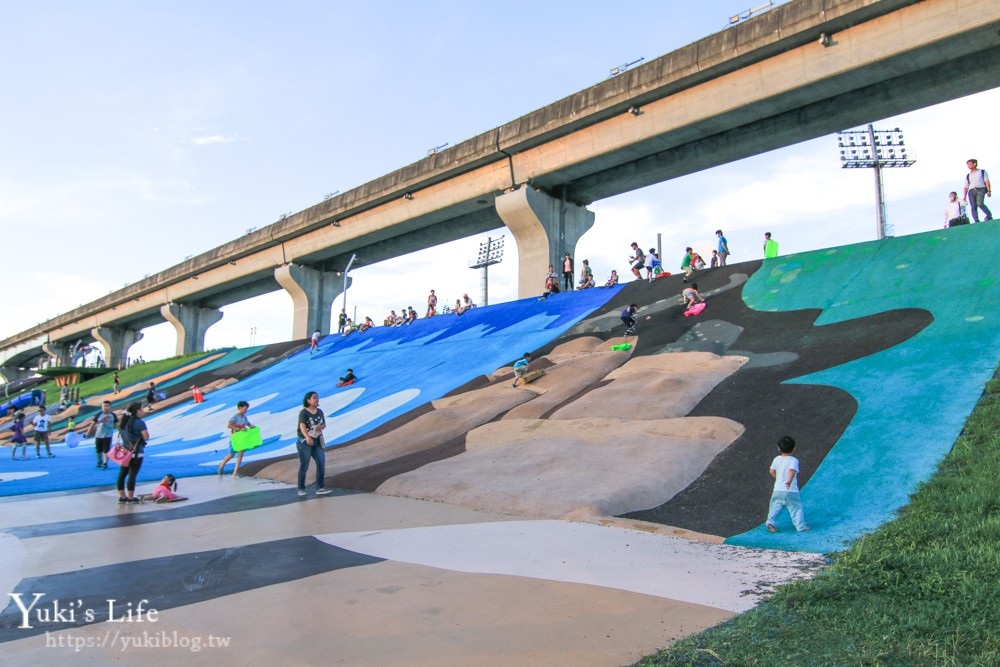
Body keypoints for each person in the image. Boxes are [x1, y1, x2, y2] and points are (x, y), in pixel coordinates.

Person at [766, 435, 810, 532]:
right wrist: (789, 481)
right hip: (790, 490)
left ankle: (770, 522)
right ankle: (801, 526)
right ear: (794, 448)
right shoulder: (794, 460)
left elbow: (771, 471)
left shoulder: (776, 459)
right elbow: (792, 471)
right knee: (796, 508)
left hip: (777, 489)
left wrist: (777, 478)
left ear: (779, 448)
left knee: (775, 506)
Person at [297, 391, 331, 497]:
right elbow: (302, 425)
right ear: (308, 400)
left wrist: (321, 427)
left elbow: (323, 423)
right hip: (306, 442)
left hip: (317, 440)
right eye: (314, 398)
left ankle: (320, 487)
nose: (316, 400)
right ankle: (301, 488)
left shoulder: (319, 411)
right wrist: (307, 437)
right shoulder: (304, 412)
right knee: (305, 464)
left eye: (317, 398)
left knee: (321, 463)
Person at [116, 402, 149, 504]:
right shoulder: (139, 422)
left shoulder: (124, 421)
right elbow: (146, 436)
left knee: (122, 473)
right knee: (132, 474)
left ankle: (122, 496)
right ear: (137, 410)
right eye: (142, 409)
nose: (143, 411)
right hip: (136, 451)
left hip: (124, 450)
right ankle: (130, 498)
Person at [218, 401, 254, 476]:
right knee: (231, 454)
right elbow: (229, 425)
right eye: (245, 408)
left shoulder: (244, 417)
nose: (246, 410)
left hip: (242, 438)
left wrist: (251, 426)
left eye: (247, 409)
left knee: (240, 455)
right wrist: (239, 429)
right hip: (234, 438)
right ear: (240, 408)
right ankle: (222, 464)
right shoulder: (235, 416)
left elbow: (248, 424)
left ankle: (235, 472)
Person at [963, 159, 992, 223]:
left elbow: (986, 181)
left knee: (980, 203)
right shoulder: (968, 175)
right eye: (968, 165)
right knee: (973, 206)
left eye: (970, 164)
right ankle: (976, 220)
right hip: (971, 191)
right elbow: (966, 186)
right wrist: (964, 196)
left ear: (975, 164)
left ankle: (989, 215)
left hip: (981, 189)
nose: (969, 166)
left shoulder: (982, 172)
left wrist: (989, 190)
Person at [91, 400, 117, 469]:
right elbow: (93, 423)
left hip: (108, 435)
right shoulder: (99, 415)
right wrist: (88, 433)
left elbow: (116, 425)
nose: (105, 407)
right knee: (98, 450)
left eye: (107, 406)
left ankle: (105, 463)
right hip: (99, 435)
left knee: (106, 450)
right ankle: (100, 461)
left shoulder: (113, 415)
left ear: (110, 407)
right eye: (103, 406)